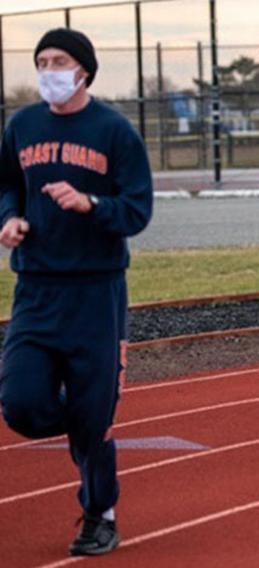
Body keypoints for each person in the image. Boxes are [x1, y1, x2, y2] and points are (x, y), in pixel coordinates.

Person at [0, 29, 153, 555]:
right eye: (41, 60)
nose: (49, 69)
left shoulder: (113, 131)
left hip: (96, 293)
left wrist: (92, 205)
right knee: (20, 404)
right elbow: (6, 185)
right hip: (36, 291)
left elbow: (138, 209)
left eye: (59, 60)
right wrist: (11, 217)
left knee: (93, 417)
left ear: (84, 69)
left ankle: (99, 512)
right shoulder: (21, 126)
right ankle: (89, 421)